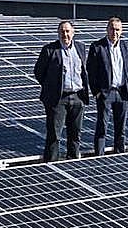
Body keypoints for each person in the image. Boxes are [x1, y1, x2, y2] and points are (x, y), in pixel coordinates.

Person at [32, 20, 89, 161]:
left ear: (73, 32)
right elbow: (39, 72)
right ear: (58, 33)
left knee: (75, 134)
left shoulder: (81, 48)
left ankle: (73, 160)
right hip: (58, 99)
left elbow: (85, 71)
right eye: (62, 31)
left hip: (77, 97)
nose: (65, 34)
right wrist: (52, 87)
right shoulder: (50, 50)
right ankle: (52, 164)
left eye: (68, 31)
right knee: (54, 135)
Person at [86, 16, 128, 154]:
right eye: (112, 29)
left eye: (118, 29)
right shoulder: (97, 46)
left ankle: (119, 154)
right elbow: (91, 71)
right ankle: (99, 155)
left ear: (122, 31)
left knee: (121, 128)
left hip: (122, 92)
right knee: (102, 126)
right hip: (105, 93)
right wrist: (96, 92)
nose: (115, 32)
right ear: (107, 30)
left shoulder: (125, 46)